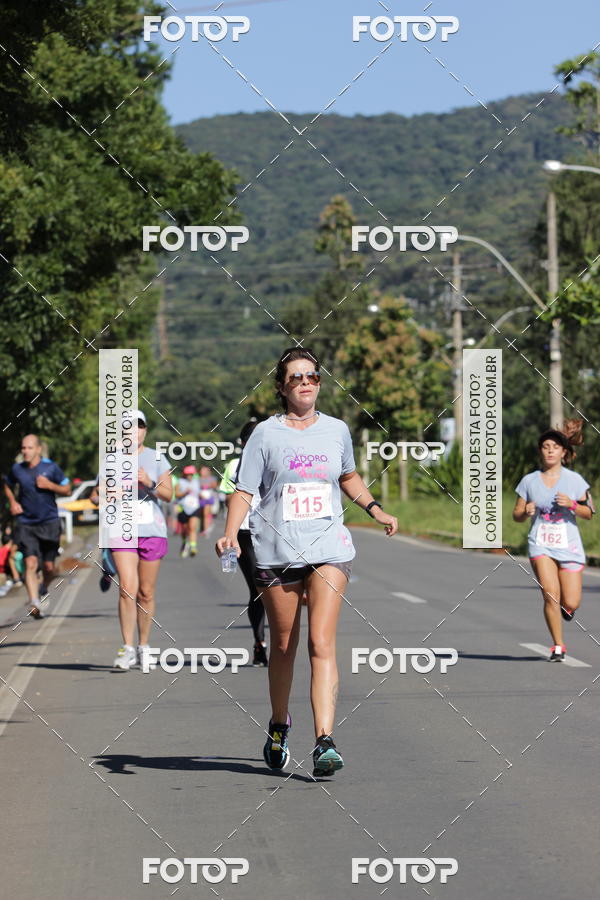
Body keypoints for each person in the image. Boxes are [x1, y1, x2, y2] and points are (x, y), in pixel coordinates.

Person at [216, 348, 398, 776]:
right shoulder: (264, 434)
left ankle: (324, 741)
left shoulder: (336, 430)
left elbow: (348, 475)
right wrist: (229, 532)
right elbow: (244, 489)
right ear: (281, 387)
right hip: (277, 551)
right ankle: (279, 724)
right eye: (296, 377)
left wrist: (377, 510)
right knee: (283, 647)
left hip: (328, 549)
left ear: (319, 382)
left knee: (321, 643)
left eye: (312, 376)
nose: (305, 383)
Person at [513, 420, 594, 662]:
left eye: (554, 447)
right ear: (540, 451)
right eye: (545, 446)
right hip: (541, 544)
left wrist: (572, 504)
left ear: (564, 452)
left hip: (569, 545)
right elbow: (516, 515)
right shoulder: (529, 481)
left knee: (570, 601)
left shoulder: (575, 481)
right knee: (550, 594)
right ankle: (558, 645)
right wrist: (525, 511)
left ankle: (567, 610)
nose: (549, 450)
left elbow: (590, 512)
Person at [107, 410, 173, 670]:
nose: (134, 431)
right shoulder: (112, 459)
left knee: (146, 593)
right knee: (126, 587)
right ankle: (127, 648)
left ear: (145, 430)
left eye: (139, 426)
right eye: (129, 427)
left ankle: (144, 646)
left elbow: (169, 495)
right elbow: (97, 493)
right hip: (121, 529)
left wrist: (150, 481)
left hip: (151, 530)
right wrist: (106, 493)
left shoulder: (156, 457)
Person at [3, 435, 70, 618]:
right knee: (30, 562)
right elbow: (7, 485)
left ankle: (42, 589)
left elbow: (67, 489)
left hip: (49, 522)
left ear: (38, 449)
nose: (25, 451)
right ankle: (34, 602)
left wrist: (50, 485)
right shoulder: (17, 469)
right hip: (26, 523)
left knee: (48, 567)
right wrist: (13, 502)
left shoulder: (50, 467)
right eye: (23, 448)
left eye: (29, 448)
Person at [219, 420, 267, 666]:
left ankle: (280, 643)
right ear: (243, 443)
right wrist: (231, 534)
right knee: (259, 589)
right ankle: (260, 643)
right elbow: (231, 500)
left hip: (276, 532)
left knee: (277, 589)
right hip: (247, 531)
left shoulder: (274, 457)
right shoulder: (233, 466)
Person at [175, 465, 202, 557]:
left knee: (192, 527)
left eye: (191, 474)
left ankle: (193, 547)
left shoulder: (197, 482)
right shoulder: (180, 482)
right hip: (183, 508)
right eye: (187, 474)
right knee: (184, 529)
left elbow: (199, 493)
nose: (189, 476)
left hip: (194, 507)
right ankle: (184, 542)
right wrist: (184, 492)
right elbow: (177, 494)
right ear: (184, 474)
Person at [198, 465, 218, 536]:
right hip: (200, 498)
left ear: (208, 471)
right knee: (201, 515)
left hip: (209, 498)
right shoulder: (198, 479)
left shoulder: (212, 478)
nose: (202, 472)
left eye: (204, 470)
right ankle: (203, 528)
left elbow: (215, 486)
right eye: (201, 470)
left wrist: (207, 486)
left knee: (205, 514)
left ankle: (205, 530)